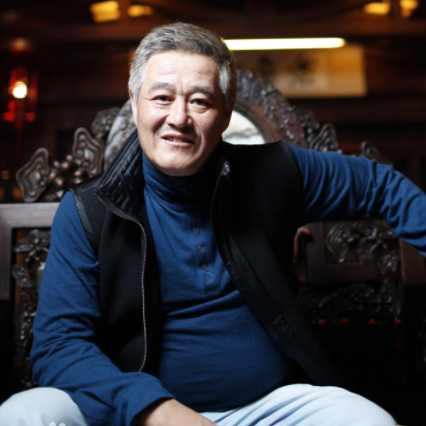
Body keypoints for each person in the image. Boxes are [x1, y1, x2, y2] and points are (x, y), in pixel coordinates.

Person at [4, 22, 426, 426]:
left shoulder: (274, 173)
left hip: (268, 408)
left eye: (200, 102)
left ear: (225, 113)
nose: (179, 118)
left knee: (369, 421)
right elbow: (59, 346)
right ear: (134, 103)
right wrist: (155, 410)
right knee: (22, 414)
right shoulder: (88, 211)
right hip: (133, 411)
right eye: (162, 98)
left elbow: (382, 185)